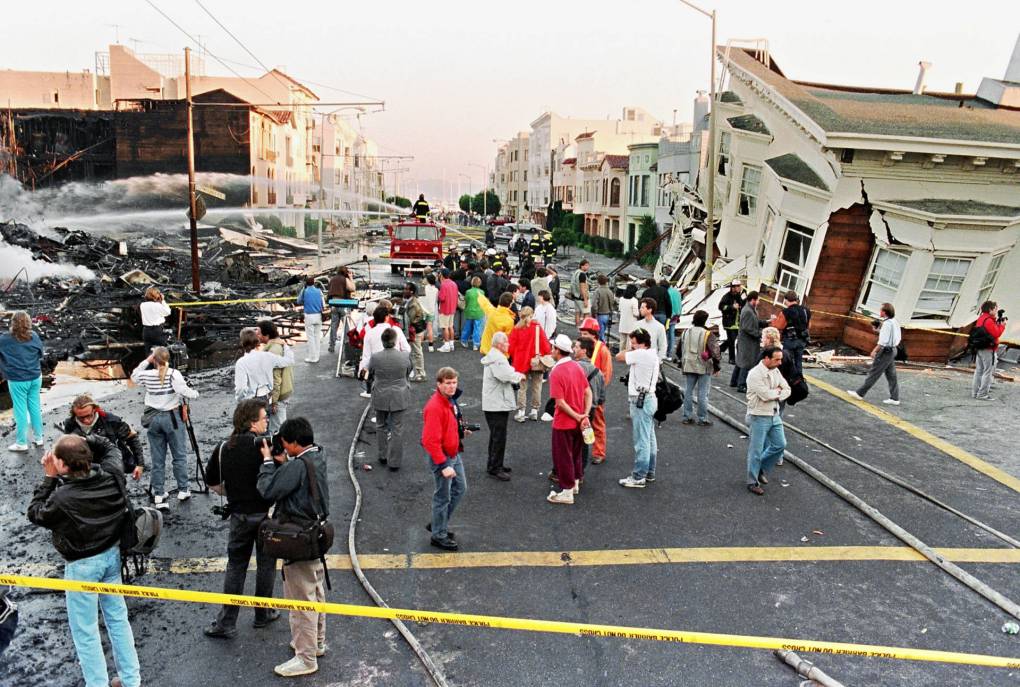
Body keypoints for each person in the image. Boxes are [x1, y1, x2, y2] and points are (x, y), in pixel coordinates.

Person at [27, 434, 141, 687]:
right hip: (112, 556)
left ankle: (97, 683)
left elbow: (35, 513)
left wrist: (49, 478)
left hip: (82, 566)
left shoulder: (62, 498)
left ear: (64, 466)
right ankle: (131, 680)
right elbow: (110, 446)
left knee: (86, 632)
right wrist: (82, 440)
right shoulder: (112, 475)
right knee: (118, 619)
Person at [256, 417, 330, 677]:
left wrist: (267, 462)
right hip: (316, 535)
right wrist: (285, 463)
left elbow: (268, 490)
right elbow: (298, 474)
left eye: (285, 442)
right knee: (315, 591)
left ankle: (306, 657)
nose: (283, 446)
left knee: (301, 601)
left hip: (298, 539)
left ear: (295, 443)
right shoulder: (317, 455)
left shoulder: (297, 466)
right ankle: (316, 642)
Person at [203, 400, 279, 639]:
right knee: (266, 565)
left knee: (236, 566)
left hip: (239, 516)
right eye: (264, 418)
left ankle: (226, 622)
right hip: (265, 515)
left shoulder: (224, 447)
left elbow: (213, 482)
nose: (267, 421)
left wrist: (233, 494)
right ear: (252, 422)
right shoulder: (265, 446)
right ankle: (262, 614)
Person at [131, 347, 199, 509]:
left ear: (154, 359)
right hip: (172, 418)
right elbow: (184, 392)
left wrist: (147, 360)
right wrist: (195, 393)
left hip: (153, 419)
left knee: (157, 459)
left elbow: (134, 375)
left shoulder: (146, 375)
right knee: (179, 455)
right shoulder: (174, 374)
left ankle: (159, 494)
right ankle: (183, 489)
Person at [421, 367, 468, 551]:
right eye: (447, 383)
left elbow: (449, 425)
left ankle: (438, 524)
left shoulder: (450, 401)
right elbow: (429, 440)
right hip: (444, 457)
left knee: (460, 489)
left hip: (452, 453)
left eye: (454, 383)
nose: (452, 387)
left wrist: (461, 432)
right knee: (443, 496)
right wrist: (443, 464)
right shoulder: (434, 407)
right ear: (439, 384)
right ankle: (438, 534)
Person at [546, 334, 592, 505]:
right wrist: (584, 415)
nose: (551, 350)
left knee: (562, 456)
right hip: (579, 422)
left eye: (553, 348)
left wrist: (577, 415)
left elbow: (560, 403)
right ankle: (575, 482)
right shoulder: (577, 366)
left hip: (564, 422)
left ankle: (567, 490)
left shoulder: (556, 372)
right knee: (576, 453)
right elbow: (588, 392)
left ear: (558, 351)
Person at [60, 394, 145, 480]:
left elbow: (132, 438)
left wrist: (140, 464)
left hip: (112, 462)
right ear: (74, 414)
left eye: (89, 416)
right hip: (88, 464)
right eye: (81, 417)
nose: (86, 420)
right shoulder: (70, 425)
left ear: (94, 409)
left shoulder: (110, 420)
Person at [616, 328, 660, 488]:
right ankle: (649, 472)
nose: (631, 346)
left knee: (641, 440)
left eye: (634, 343)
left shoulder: (641, 354)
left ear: (642, 344)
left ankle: (639, 476)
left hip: (640, 400)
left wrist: (630, 349)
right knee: (649, 438)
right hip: (650, 398)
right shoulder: (652, 354)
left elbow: (619, 356)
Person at [746, 347, 791, 495]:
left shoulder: (775, 371)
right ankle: (752, 482)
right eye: (776, 359)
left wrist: (776, 393)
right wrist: (778, 392)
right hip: (759, 415)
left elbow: (787, 389)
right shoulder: (754, 374)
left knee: (780, 444)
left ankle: (759, 469)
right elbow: (765, 395)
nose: (780, 362)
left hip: (774, 414)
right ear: (766, 358)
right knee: (756, 450)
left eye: (780, 359)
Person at [481, 332, 525, 481]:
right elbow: (505, 375)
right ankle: (495, 467)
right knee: (499, 437)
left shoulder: (495, 357)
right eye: (506, 343)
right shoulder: (499, 359)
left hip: (494, 403)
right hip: (496, 404)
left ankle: (494, 463)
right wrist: (520, 376)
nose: (508, 345)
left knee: (496, 436)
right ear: (500, 344)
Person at [368, 328, 413, 471]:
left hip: (380, 394)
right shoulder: (405, 357)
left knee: (381, 425)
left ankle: (382, 455)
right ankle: (394, 462)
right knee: (397, 429)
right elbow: (409, 371)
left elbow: (371, 372)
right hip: (399, 395)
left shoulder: (375, 357)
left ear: (382, 341)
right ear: (395, 341)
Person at [0, 311, 45, 451]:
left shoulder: (4, 339)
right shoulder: (35, 336)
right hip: (35, 377)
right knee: (35, 408)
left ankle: (21, 443)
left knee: (20, 410)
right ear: (28, 323)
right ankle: (39, 439)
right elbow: (41, 354)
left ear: (12, 323)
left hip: (17, 379)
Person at [847, 302, 902, 406]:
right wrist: (878, 330)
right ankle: (895, 398)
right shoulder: (894, 322)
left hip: (886, 351)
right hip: (893, 350)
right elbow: (892, 336)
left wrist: (874, 350)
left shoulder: (886, 324)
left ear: (884, 312)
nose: (879, 312)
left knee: (874, 372)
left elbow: (883, 341)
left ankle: (860, 393)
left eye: (881, 310)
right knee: (891, 375)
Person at [508, 306, 551, 422]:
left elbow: (510, 347)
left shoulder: (516, 329)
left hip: (521, 362)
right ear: (531, 315)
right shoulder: (537, 328)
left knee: (522, 387)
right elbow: (546, 347)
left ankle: (521, 411)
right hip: (536, 361)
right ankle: (534, 411)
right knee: (537, 386)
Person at [578, 318, 612, 464]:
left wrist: (596, 394)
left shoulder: (602, 350)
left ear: (593, 334)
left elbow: (607, 374)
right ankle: (582, 450)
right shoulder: (585, 347)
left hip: (595, 395)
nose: (582, 336)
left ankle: (599, 452)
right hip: (583, 393)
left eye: (585, 333)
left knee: (597, 423)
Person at [679, 310, 721, 426]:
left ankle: (687, 416)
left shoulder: (686, 332)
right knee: (703, 393)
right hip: (703, 366)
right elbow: (715, 351)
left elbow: (679, 349)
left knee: (688, 391)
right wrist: (717, 366)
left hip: (688, 364)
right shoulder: (708, 334)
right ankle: (702, 418)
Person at [235, 328, 295, 403]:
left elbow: (241, 388)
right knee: (267, 414)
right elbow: (289, 361)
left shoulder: (241, 363)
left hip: (251, 402)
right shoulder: (268, 356)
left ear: (242, 343)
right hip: (267, 398)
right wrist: (284, 345)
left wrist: (240, 399)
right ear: (257, 341)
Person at [255, 320, 295, 433]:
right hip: (283, 392)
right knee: (277, 426)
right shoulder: (279, 345)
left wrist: (274, 402)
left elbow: (276, 379)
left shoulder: (273, 351)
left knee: (276, 430)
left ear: (266, 335)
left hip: (280, 396)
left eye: (258, 333)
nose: (256, 335)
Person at [573, 338, 606, 470]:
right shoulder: (598, 372)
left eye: (576, 346)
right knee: (584, 441)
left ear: (584, 351)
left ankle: (563, 472)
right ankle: (580, 472)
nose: (573, 349)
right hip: (590, 411)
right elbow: (602, 397)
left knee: (569, 441)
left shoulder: (574, 367)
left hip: (575, 409)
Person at [359, 303, 411, 381]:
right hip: (396, 367)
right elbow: (407, 350)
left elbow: (367, 357)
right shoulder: (396, 330)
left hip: (378, 370)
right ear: (387, 318)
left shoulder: (369, 333)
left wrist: (362, 371)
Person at [770, 290, 811, 375]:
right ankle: (799, 381)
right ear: (796, 299)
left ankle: (788, 380)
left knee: (787, 361)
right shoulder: (806, 310)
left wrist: (773, 319)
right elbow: (809, 325)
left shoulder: (786, 311)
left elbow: (779, 326)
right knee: (798, 362)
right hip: (802, 340)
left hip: (790, 341)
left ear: (786, 300)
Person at [972, 300, 1007, 400]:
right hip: (988, 349)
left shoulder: (982, 318)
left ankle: (975, 392)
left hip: (980, 348)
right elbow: (996, 333)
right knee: (988, 371)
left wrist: (997, 321)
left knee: (979, 370)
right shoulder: (988, 320)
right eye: (995, 308)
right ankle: (982, 394)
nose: (996, 310)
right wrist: (1002, 325)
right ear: (990, 309)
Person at [732, 291, 766, 392]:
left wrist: (766, 323)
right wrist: (760, 334)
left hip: (747, 341)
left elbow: (754, 322)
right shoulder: (748, 311)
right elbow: (747, 328)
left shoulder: (750, 310)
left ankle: (734, 381)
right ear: (753, 300)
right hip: (747, 341)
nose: (759, 302)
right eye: (758, 300)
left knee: (740, 361)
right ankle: (741, 384)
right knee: (746, 362)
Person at [401, 282, 428, 381]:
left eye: (406, 289)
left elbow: (410, 319)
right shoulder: (409, 300)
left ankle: (421, 373)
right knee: (413, 350)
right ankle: (416, 371)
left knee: (417, 351)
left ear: (411, 291)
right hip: (414, 329)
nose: (404, 290)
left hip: (414, 330)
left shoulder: (413, 304)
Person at [295, 276, 325, 363]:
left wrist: (303, 290)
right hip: (318, 315)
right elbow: (323, 304)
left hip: (309, 316)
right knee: (317, 336)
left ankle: (312, 357)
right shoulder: (319, 291)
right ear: (314, 282)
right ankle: (317, 356)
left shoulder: (305, 291)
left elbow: (298, 301)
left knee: (310, 337)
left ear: (306, 283)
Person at [326, 267, 356, 354]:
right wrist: (351, 278)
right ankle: (346, 345)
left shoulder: (332, 279)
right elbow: (353, 288)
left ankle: (331, 345)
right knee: (346, 325)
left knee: (334, 326)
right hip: (344, 304)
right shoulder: (345, 279)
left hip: (334, 304)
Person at [718, 280, 745, 365]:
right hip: (729, 322)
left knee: (731, 340)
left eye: (739, 286)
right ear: (732, 287)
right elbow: (721, 307)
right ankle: (732, 359)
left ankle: (719, 349)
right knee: (732, 341)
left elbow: (741, 305)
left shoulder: (738, 296)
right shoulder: (726, 297)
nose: (739, 288)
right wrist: (731, 307)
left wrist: (745, 300)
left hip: (736, 322)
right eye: (737, 286)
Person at [436, 269, 459, 352]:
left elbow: (441, 298)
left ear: (442, 275)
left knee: (445, 327)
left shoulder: (443, 284)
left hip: (444, 308)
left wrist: (438, 294)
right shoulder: (454, 283)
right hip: (452, 308)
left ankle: (446, 345)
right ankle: (451, 344)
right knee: (450, 326)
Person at [460, 276, 485, 351]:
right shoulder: (482, 292)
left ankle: (464, 341)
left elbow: (466, 301)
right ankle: (476, 344)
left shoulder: (468, 292)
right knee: (477, 328)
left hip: (469, 311)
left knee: (467, 327)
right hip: (479, 312)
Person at [592, 275, 616, 342]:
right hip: (607, 314)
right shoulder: (610, 291)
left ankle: (601, 349)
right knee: (603, 332)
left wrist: (594, 313)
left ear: (598, 282)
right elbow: (612, 303)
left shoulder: (598, 291)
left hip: (600, 314)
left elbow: (594, 304)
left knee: (599, 335)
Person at [617, 284, 640, 353]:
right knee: (629, 342)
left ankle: (621, 354)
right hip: (631, 323)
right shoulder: (634, 300)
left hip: (623, 322)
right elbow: (635, 313)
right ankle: (628, 355)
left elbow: (620, 309)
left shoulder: (621, 299)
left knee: (622, 341)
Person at [569, 259, 591, 326]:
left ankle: (578, 327)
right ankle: (584, 329)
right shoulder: (582, 274)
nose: (588, 267)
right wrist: (585, 299)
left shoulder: (576, 273)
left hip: (575, 296)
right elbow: (582, 288)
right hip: (581, 297)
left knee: (577, 312)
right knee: (587, 313)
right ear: (582, 266)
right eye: (586, 265)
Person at [422, 272, 439, 352]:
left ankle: (420, 346)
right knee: (430, 328)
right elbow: (436, 300)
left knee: (421, 329)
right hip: (431, 311)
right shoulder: (436, 290)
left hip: (423, 311)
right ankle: (431, 346)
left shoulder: (424, 288)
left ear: (428, 280)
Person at [667, 281, 683, 355]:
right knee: (672, 333)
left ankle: (665, 351)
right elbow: (680, 304)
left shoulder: (667, 292)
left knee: (665, 333)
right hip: (676, 315)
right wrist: (679, 314)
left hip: (668, 315)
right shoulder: (677, 292)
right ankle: (670, 353)